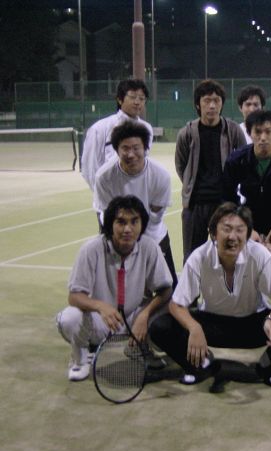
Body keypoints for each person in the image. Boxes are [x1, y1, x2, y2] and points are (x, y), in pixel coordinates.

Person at [149, 202, 271, 388]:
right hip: (212, 324)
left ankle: (269, 366)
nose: (233, 236)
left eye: (240, 230)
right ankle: (199, 365)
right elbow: (176, 304)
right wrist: (194, 328)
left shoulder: (259, 254)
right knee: (160, 326)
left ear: (247, 234)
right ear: (213, 233)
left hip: (254, 325)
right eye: (226, 229)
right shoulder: (199, 257)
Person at [55, 195, 172, 381]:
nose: (128, 229)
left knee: (175, 309)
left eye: (134, 221)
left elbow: (165, 290)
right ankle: (81, 357)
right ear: (110, 224)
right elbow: (74, 296)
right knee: (70, 318)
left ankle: (139, 347)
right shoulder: (91, 249)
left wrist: (145, 315)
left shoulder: (149, 247)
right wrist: (100, 306)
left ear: (142, 224)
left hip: (134, 316)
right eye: (121, 222)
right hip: (102, 320)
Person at [223, 110, 271, 309]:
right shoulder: (236, 161)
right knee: (233, 259)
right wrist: (248, 231)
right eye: (257, 132)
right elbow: (229, 200)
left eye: (268, 131)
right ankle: (236, 306)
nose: (263, 137)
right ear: (250, 133)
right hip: (244, 221)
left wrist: (270, 239)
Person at [94, 120, 178, 288]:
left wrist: (141, 247)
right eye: (125, 148)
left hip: (154, 236)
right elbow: (106, 215)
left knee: (169, 288)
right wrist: (122, 241)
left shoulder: (161, 176)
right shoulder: (104, 177)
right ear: (117, 150)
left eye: (136, 148)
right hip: (119, 238)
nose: (131, 154)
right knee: (115, 289)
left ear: (145, 148)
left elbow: (155, 219)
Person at [175, 79, 246, 265]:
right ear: (198, 104)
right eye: (207, 100)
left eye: (216, 100)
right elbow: (181, 166)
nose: (212, 105)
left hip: (225, 203)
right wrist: (191, 185)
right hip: (195, 205)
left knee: (228, 255)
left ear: (222, 103)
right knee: (192, 258)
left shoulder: (233, 131)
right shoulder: (187, 133)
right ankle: (193, 287)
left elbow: (244, 162)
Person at [80, 79, 154, 215]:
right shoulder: (100, 128)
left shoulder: (147, 129)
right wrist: (104, 196)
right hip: (109, 204)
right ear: (120, 99)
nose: (137, 102)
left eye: (142, 98)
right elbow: (89, 168)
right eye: (133, 97)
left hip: (138, 203)